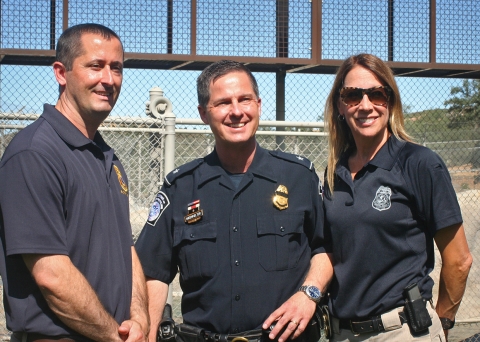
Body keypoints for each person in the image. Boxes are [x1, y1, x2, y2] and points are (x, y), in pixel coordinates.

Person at [135, 60, 334, 342]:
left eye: (245, 100)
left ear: (259, 105)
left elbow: (326, 247)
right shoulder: (179, 188)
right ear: (204, 113)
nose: (237, 111)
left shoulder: (299, 178)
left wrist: (309, 294)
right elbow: (152, 272)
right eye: (224, 103)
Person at [0, 23, 149, 342]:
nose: (108, 79)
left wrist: (139, 316)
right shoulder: (34, 153)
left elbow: (127, 249)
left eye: (117, 68)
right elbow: (51, 275)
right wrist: (114, 336)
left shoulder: (107, 156)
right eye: (95, 66)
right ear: (61, 72)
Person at [322, 53, 473, 341]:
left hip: (401, 331)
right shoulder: (334, 172)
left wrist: (441, 322)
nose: (365, 105)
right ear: (341, 105)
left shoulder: (419, 163)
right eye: (353, 95)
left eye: (377, 94)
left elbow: (459, 260)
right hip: (342, 333)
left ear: (389, 102)